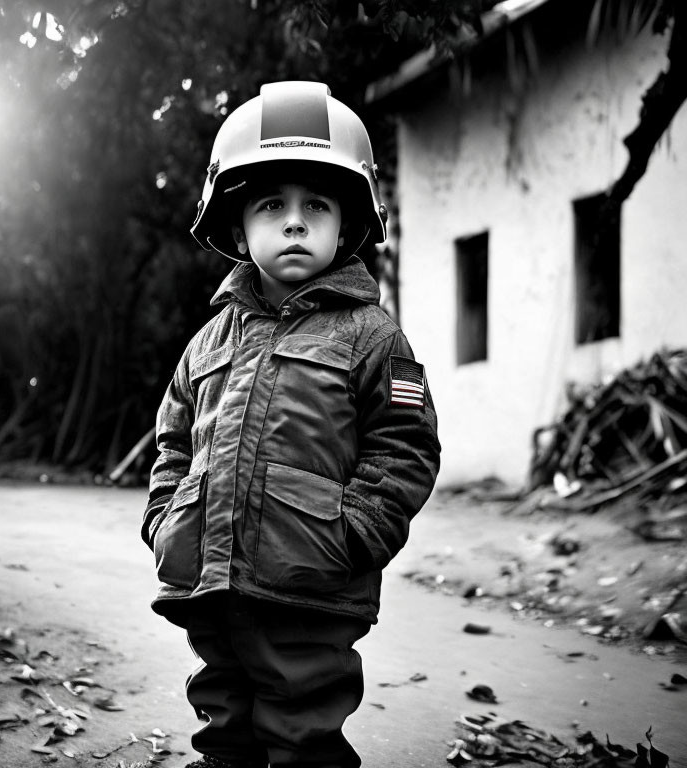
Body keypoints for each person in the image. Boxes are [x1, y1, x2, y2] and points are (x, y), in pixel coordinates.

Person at [141, 80, 441, 768]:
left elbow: (406, 447)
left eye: (317, 205)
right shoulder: (207, 342)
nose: (295, 222)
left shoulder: (372, 336)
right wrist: (166, 521)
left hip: (312, 592)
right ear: (238, 226)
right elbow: (171, 442)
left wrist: (354, 532)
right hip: (211, 589)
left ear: (349, 224)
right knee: (223, 729)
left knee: (301, 735)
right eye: (272, 205)